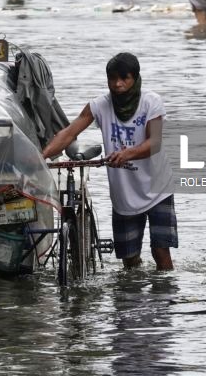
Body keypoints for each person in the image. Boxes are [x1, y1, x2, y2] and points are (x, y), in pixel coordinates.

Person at [42, 53, 176, 271]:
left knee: (160, 251)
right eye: (112, 79)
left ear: (135, 78)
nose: (117, 84)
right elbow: (68, 133)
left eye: (124, 78)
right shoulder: (99, 105)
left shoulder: (151, 103)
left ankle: (166, 290)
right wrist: (42, 156)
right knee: (129, 260)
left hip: (157, 188)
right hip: (124, 193)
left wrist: (127, 154)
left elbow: (155, 142)